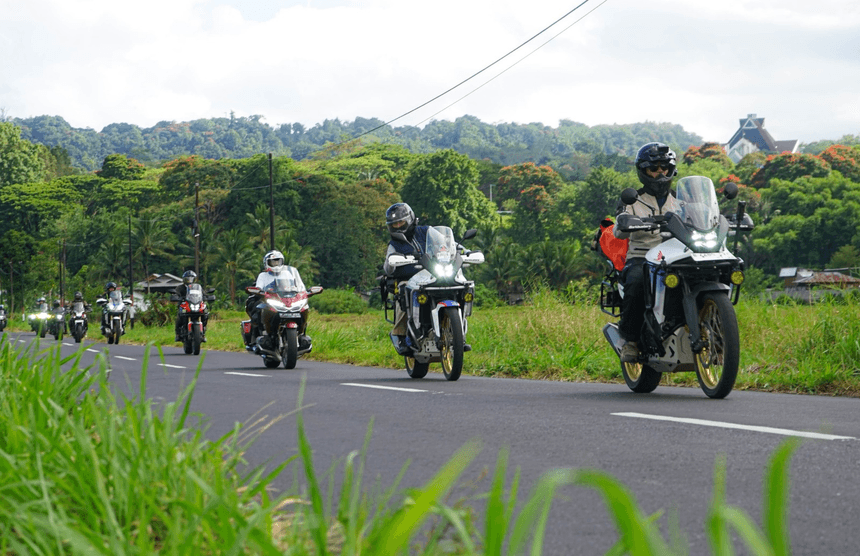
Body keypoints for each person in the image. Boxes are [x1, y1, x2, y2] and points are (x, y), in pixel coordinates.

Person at [613, 142, 682, 363]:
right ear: (644, 171)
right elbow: (618, 231)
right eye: (654, 168)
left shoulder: (682, 201)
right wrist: (625, 222)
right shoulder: (633, 200)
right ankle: (630, 341)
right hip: (642, 257)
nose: (660, 172)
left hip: (676, 256)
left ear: (672, 169)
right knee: (636, 281)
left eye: (664, 167)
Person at [382, 202, 430, 354]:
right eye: (394, 224)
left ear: (410, 219)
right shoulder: (394, 244)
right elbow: (387, 266)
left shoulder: (426, 231)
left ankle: (456, 330)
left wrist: (461, 250)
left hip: (431, 275)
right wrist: (393, 261)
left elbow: (447, 242)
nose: (398, 226)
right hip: (408, 278)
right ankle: (400, 334)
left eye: (401, 222)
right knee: (404, 291)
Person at [245, 250, 307, 347]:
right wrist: (260, 291)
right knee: (257, 311)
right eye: (273, 262)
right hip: (269, 299)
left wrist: (302, 292)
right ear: (267, 263)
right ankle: (257, 337)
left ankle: (302, 334)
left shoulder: (287, 273)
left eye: (278, 261)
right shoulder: (263, 276)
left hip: (286, 299)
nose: (276, 264)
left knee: (303, 309)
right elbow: (259, 288)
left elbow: (296, 286)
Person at [174, 270, 208, 341]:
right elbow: (176, 294)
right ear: (184, 280)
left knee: (205, 314)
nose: (189, 280)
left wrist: (206, 297)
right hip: (184, 305)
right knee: (179, 317)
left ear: (194, 279)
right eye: (187, 279)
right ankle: (178, 333)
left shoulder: (198, 287)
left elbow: (203, 294)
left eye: (191, 278)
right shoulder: (180, 288)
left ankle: (203, 332)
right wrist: (177, 297)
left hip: (196, 304)